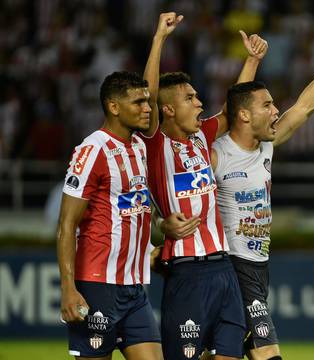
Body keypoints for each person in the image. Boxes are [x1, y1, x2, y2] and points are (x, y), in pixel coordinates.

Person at [211, 24, 314, 360]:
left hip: (258, 265)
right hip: (231, 265)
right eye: (268, 105)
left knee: (224, 352)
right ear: (245, 115)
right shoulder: (217, 154)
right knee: (267, 352)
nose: (277, 111)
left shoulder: (267, 145)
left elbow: (305, 106)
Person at [141, 12, 267, 360]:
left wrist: (252, 61)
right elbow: (148, 97)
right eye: (190, 98)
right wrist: (159, 40)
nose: (199, 102)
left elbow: (232, 110)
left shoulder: (200, 138)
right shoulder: (155, 145)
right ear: (167, 110)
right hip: (187, 271)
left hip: (224, 269)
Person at [56, 71, 163, 360]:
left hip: (134, 288)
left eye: (147, 101)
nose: (147, 108)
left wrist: (151, 248)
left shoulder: (140, 147)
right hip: (96, 286)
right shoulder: (92, 150)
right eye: (138, 102)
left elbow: (133, 209)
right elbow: (66, 225)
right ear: (114, 107)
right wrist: (68, 288)